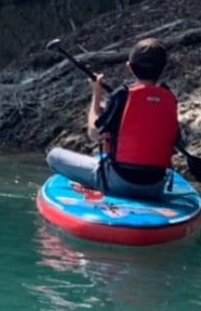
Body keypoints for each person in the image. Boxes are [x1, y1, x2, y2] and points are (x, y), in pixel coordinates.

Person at [47, 38, 179, 201]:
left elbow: (94, 133)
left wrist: (96, 95)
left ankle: (93, 182)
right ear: (163, 68)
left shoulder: (122, 95)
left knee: (53, 156)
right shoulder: (169, 98)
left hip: (117, 183)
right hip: (155, 187)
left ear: (129, 67)